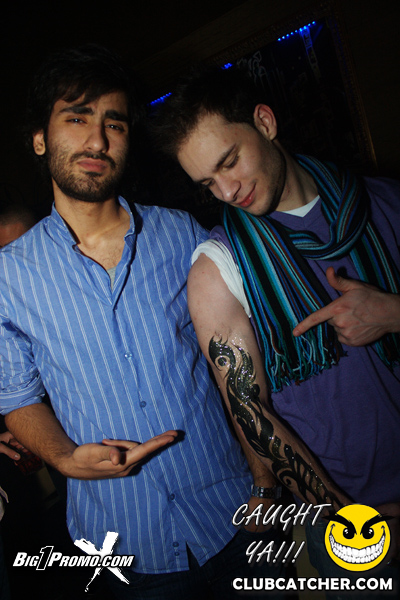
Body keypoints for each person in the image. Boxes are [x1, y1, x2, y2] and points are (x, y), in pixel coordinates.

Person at [0, 45, 297, 600]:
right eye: (77, 119)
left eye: (114, 124)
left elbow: (241, 364)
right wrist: (63, 458)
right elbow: (16, 396)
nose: (97, 141)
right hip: (124, 548)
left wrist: (265, 479)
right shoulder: (8, 277)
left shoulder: (183, 234)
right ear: (39, 139)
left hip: (238, 516)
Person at [152, 65, 400, 595]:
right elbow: (252, 411)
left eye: (229, 162)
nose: (227, 190)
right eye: (207, 183)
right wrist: (357, 527)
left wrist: (394, 312)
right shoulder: (217, 267)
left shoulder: (387, 203)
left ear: (264, 123)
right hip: (347, 519)